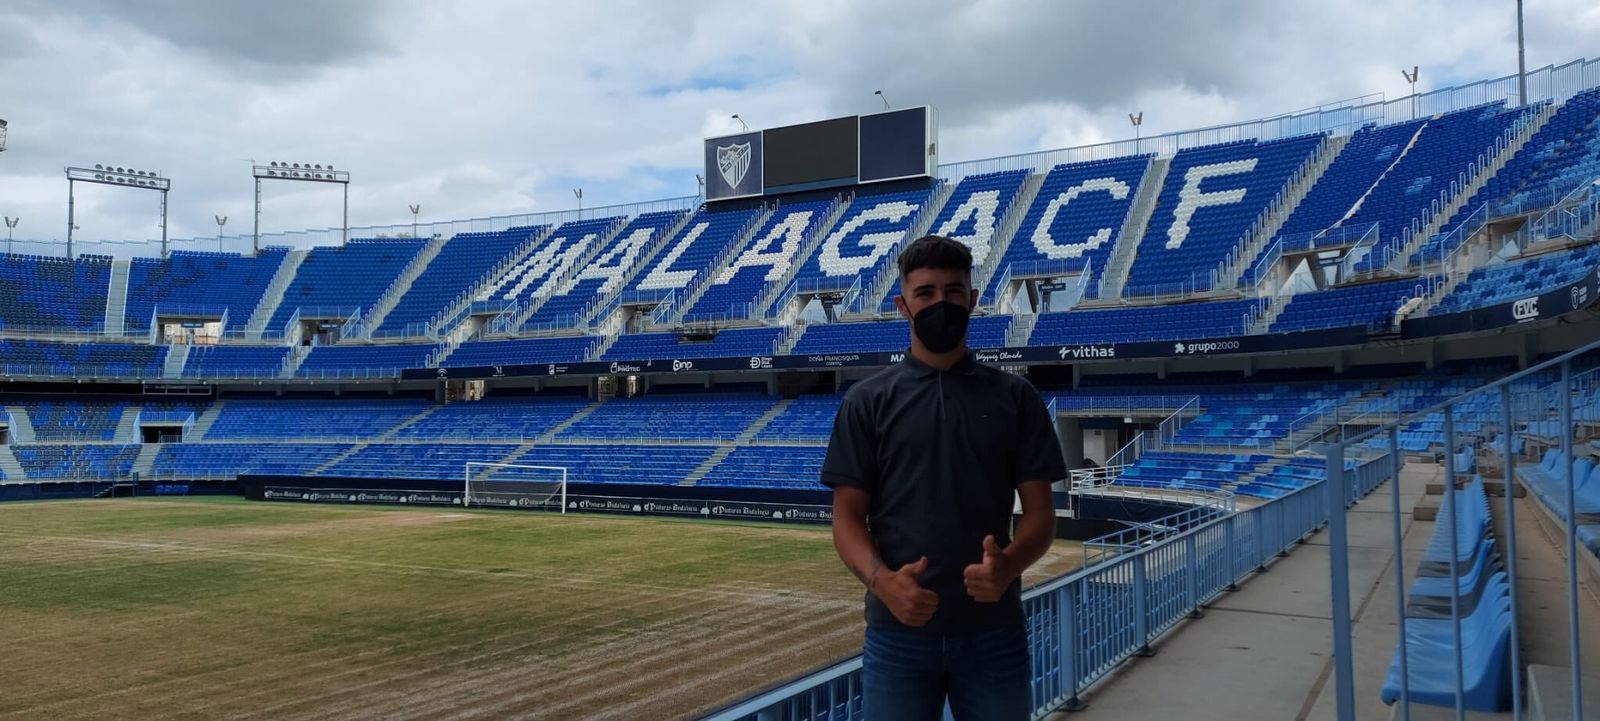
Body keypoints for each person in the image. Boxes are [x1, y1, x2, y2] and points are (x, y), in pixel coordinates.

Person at [822, 234, 1067, 720]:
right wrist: (883, 582)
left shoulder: (1015, 398)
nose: (942, 303)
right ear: (902, 305)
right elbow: (846, 518)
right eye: (926, 293)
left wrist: (1009, 566)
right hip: (897, 636)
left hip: (994, 633)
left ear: (972, 300)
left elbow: (1041, 514)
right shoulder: (867, 402)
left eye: (954, 291)